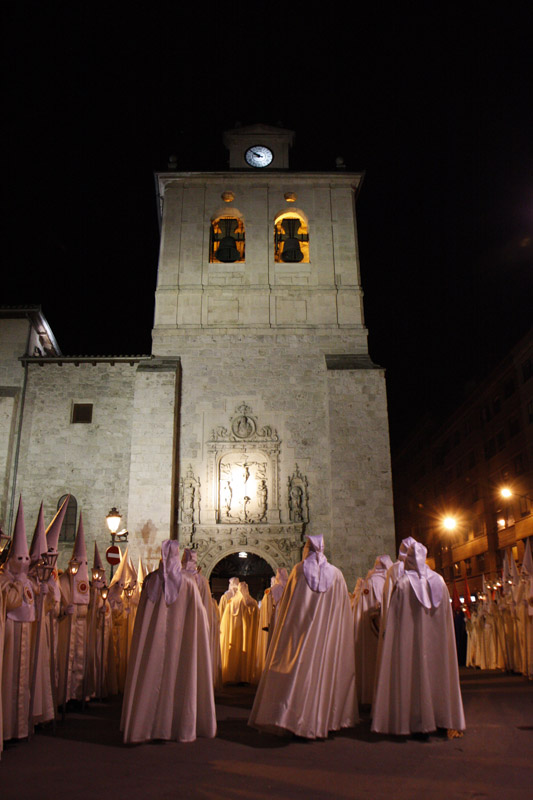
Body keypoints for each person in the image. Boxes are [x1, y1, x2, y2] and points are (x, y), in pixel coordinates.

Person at [249, 535, 358, 739]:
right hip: (328, 639)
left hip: (300, 636)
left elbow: (288, 609)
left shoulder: (298, 571)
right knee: (324, 674)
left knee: (298, 675)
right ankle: (323, 719)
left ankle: (293, 718)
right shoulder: (337, 575)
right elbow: (343, 614)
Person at [121, 540, 216, 743]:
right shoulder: (189, 583)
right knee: (182, 676)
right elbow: (200, 619)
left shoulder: (151, 581)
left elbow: (142, 623)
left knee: (151, 675)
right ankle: (179, 725)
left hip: (153, 648)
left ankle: (145, 725)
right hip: (182, 646)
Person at [372, 540, 465, 736]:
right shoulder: (439, 581)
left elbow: (396, 620)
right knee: (438, 671)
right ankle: (442, 715)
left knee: (411, 672)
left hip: (410, 645)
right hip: (437, 647)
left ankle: (412, 718)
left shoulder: (404, 584)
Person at [0, 498, 36, 741]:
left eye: (26, 558)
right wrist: (16, 585)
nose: (24, 563)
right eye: (19, 558)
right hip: (9, 633)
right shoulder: (4, 579)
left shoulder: (28, 581)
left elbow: (33, 608)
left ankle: (20, 728)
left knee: (21, 681)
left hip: (24, 634)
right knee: (8, 680)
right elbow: (11, 603)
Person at [57, 513, 90, 705]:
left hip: (81, 630)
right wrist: (62, 611)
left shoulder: (85, 583)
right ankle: (64, 696)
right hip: (64, 629)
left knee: (79, 660)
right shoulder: (62, 582)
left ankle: (77, 694)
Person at [353, 554, 392, 706]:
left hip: (366, 632)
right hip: (379, 630)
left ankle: (367, 696)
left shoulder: (368, 582)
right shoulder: (383, 583)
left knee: (368, 663)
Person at [220, 581, 259, 684]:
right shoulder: (252, 602)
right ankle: (244, 675)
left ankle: (232, 674)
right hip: (247, 635)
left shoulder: (231, 602)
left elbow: (224, 621)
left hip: (233, 633)